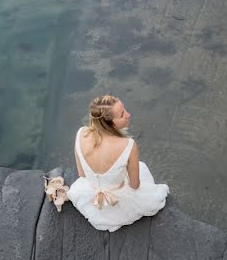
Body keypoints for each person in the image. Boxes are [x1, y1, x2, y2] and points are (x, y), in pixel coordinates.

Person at [67, 95, 169, 232]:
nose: (128, 114)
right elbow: (134, 185)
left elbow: (82, 174)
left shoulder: (80, 134)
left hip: (91, 196)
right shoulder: (128, 145)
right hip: (118, 201)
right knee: (142, 169)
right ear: (109, 124)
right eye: (122, 115)